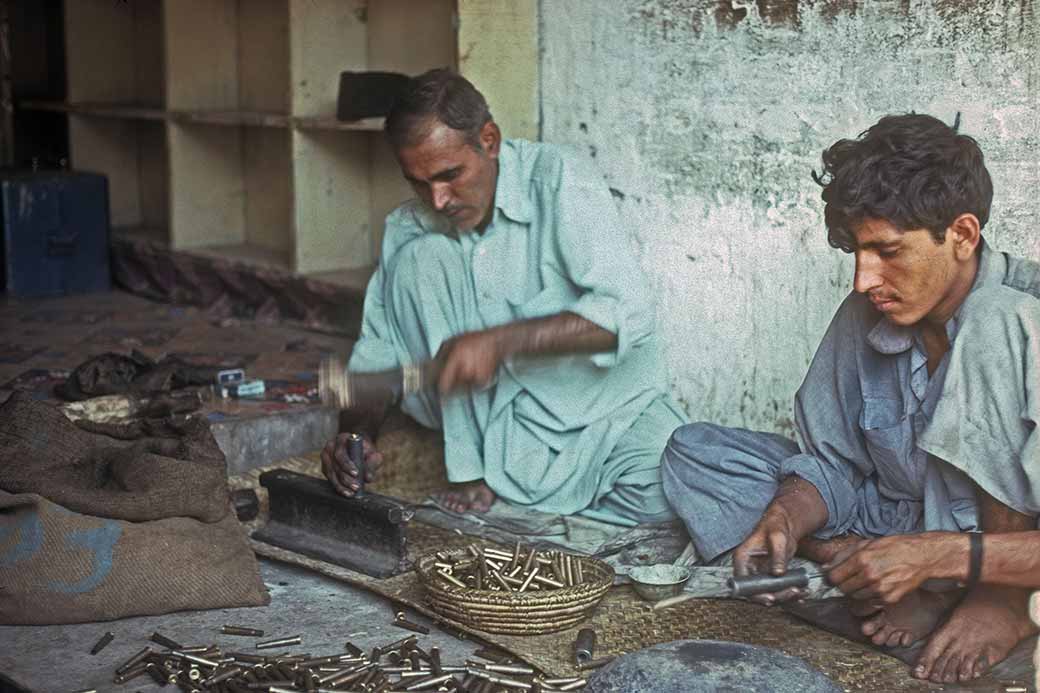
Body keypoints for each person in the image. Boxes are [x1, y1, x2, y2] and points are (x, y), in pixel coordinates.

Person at [661, 113, 1039, 684]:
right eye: (858, 254)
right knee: (694, 451)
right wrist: (787, 517)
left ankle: (989, 601)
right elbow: (831, 461)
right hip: (895, 516)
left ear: (962, 234)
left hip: (1002, 554)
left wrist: (943, 557)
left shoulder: (1019, 316)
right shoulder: (871, 309)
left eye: (888, 251)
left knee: (992, 322)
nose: (864, 280)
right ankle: (863, 564)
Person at [321, 68, 686, 527]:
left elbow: (626, 313)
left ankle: (532, 512)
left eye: (451, 175)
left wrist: (500, 343)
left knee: (670, 499)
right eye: (418, 182)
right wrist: (354, 433)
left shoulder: (559, 179)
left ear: (488, 140)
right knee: (423, 257)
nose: (438, 199)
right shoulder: (410, 228)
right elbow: (377, 354)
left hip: (604, 414)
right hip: (500, 436)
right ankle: (473, 471)